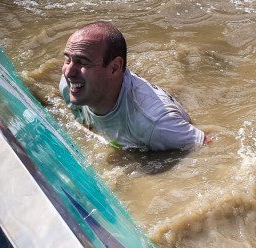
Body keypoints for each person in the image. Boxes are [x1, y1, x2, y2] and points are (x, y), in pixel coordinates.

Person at [60, 21, 208, 151]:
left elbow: (207, 144)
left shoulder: (156, 124)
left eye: (82, 62)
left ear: (115, 67)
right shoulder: (68, 87)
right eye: (67, 60)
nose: (68, 72)